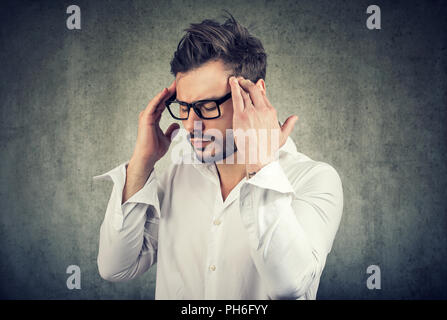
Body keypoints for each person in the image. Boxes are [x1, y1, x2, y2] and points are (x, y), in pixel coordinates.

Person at [93, 13, 343, 300]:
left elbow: (289, 286)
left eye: (207, 106)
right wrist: (142, 162)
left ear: (254, 93)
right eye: (184, 107)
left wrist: (260, 165)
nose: (190, 124)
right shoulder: (179, 175)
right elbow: (116, 267)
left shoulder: (315, 179)